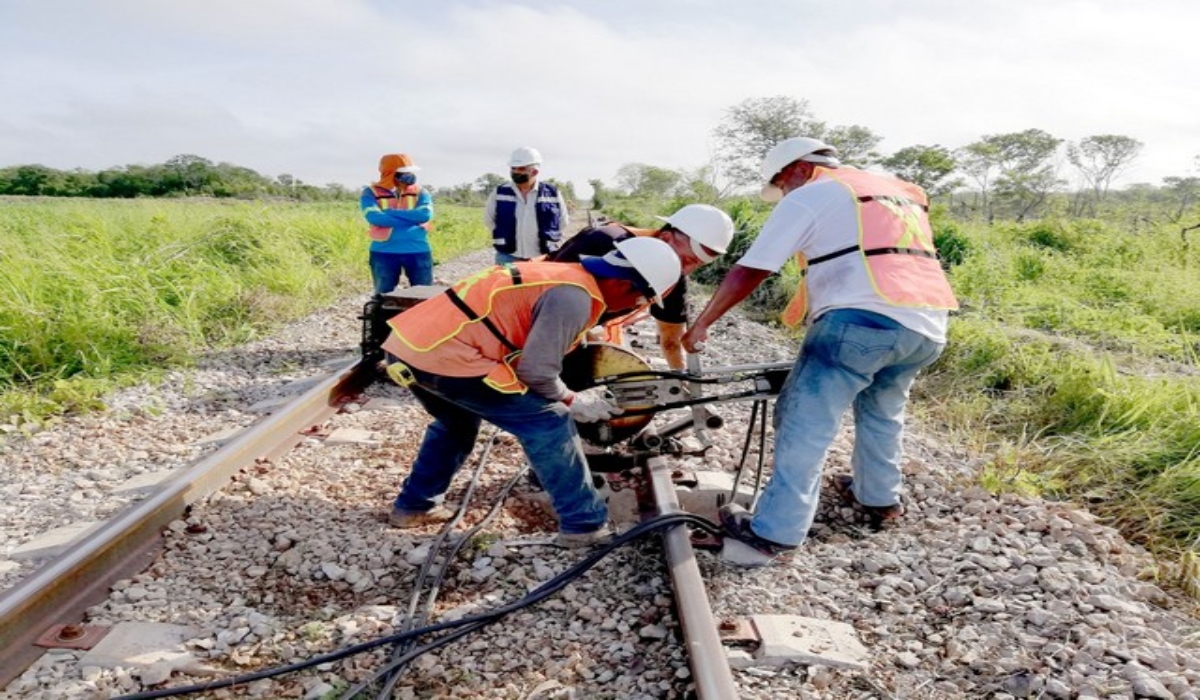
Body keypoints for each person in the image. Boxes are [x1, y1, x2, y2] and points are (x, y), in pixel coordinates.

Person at [682, 136, 959, 566]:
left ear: (795, 169)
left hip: (860, 324)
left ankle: (773, 535)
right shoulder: (891, 189)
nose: (785, 196)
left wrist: (702, 323)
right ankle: (880, 499)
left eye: (781, 186)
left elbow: (751, 268)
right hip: (926, 326)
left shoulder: (813, 193)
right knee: (883, 410)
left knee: (804, 422)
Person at [379, 238, 682, 547]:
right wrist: (573, 400)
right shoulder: (574, 297)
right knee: (549, 420)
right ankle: (584, 525)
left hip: (408, 349)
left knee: (456, 424)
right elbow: (537, 373)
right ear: (625, 285)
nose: (635, 307)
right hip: (448, 360)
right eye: (641, 300)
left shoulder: (564, 274)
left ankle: (415, 506)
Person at [546, 204, 734, 370]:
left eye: (697, 266)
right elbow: (544, 299)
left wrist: (682, 383)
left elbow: (671, 339)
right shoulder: (602, 242)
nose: (685, 271)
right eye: (686, 260)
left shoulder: (675, 277)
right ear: (665, 238)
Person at [361, 153, 435, 295]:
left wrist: (390, 212)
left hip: (418, 250)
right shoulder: (370, 192)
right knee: (383, 298)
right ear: (392, 173)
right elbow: (375, 218)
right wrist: (411, 219)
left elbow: (425, 215)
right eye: (405, 172)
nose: (410, 175)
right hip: (384, 252)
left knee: (424, 297)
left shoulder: (421, 192)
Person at [484, 147, 569, 264]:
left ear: (534, 171)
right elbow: (489, 220)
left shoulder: (553, 193)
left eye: (521, 168)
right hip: (507, 255)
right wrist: (504, 234)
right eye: (513, 168)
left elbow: (563, 222)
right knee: (507, 283)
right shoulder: (499, 192)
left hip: (542, 257)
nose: (515, 172)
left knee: (540, 283)